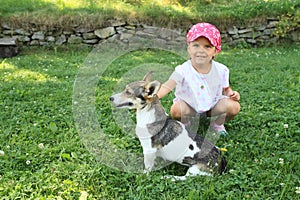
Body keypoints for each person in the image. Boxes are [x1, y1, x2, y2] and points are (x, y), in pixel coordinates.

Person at [157, 22, 240, 136]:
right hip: (189, 106)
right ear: (189, 49)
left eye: (207, 46)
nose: (201, 50)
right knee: (176, 110)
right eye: (196, 45)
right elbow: (167, 86)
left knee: (234, 107)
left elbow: (226, 89)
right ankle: (185, 123)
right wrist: (154, 98)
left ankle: (217, 124)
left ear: (215, 51)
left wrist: (231, 94)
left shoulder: (221, 70)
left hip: (212, 106)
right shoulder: (182, 70)